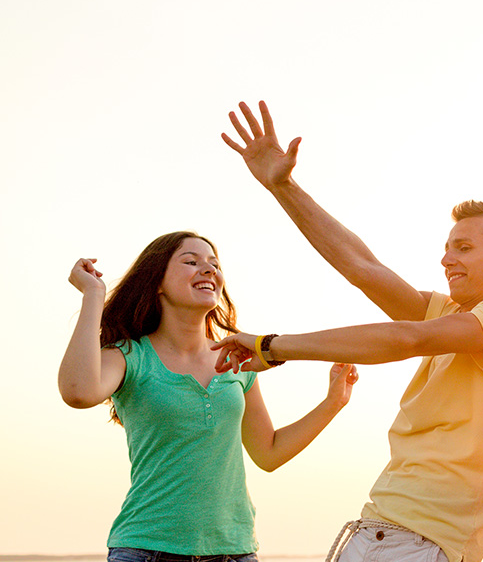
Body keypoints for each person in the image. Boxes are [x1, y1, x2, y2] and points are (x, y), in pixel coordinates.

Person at [213, 101, 483, 562]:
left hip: (421, 543)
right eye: (447, 248)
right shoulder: (448, 310)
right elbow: (363, 267)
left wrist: (273, 347)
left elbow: (407, 339)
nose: (446, 259)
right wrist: (283, 186)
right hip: (377, 528)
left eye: (465, 248)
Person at [58, 231, 358, 562]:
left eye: (214, 264)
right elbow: (78, 392)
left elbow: (268, 453)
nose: (209, 270)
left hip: (235, 551)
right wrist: (93, 295)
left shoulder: (237, 360)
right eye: (191, 261)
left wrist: (333, 403)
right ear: (156, 282)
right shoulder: (130, 355)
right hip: (147, 550)